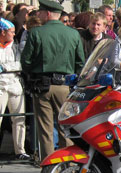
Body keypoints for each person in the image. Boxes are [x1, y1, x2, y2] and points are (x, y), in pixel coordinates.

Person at [21, 0, 85, 160]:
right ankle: (69, 167)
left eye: (40, 12)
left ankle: (50, 167)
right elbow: (80, 62)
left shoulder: (36, 33)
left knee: (45, 130)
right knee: (67, 128)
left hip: (42, 85)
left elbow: (26, 61)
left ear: (48, 13)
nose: (38, 14)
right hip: (65, 86)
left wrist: (33, 73)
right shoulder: (73, 33)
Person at [0, 18, 29, 160]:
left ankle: (20, 150)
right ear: (3, 32)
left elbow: (20, 64)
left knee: (19, 118)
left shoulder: (15, 46)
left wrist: (5, 67)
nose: (13, 34)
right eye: (11, 32)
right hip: (0, 86)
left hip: (15, 86)